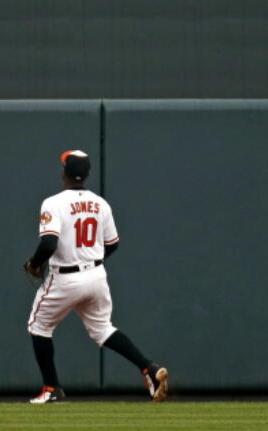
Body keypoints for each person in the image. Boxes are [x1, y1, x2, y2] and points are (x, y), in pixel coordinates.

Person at [22, 149, 169, 404]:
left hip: (65, 279)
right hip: (96, 276)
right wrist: (90, 260)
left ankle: (51, 389)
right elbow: (112, 244)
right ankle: (150, 369)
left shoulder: (53, 202)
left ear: (63, 172)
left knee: (39, 327)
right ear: (87, 174)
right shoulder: (101, 204)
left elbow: (48, 244)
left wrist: (34, 264)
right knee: (102, 329)